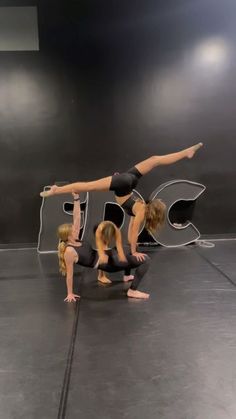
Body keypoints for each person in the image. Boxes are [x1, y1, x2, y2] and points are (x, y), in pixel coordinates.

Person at [42, 142, 203, 260]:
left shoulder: (139, 207)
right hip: (123, 185)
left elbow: (130, 230)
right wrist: (134, 252)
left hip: (129, 181)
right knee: (88, 185)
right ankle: (57, 190)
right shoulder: (140, 211)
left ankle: (186, 152)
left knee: (155, 160)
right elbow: (133, 231)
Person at [58, 193, 151, 302]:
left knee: (130, 248)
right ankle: (132, 291)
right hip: (108, 264)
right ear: (68, 236)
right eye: (73, 230)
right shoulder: (69, 251)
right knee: (146, 260)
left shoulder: (76, 239)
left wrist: (76, 198)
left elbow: (77, 217)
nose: (76, 229)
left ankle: (126, 276)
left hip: (107, 255)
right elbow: (69, 275)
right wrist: (70, 293)